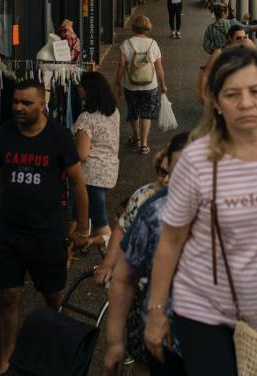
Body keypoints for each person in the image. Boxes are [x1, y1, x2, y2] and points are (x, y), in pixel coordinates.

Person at [144, 46, 257, 375]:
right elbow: (171, 240)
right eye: (232, 94)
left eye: (256, 91)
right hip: (204, 309)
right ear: (215, 101)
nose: (245, 103)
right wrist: (156, 310)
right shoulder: (197, 160)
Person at [0, 81, 89, 376]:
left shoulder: (59, 136)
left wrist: (82, 227)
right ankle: (6, 360)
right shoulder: (4, 134)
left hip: (47, 232)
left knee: (53, 298)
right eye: (15, 101)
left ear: (42, 104)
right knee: (8, 297)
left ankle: (56, 356)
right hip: (10, 231)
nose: (18, 107)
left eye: (26, 103)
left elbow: (77, 182)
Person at [102, 133, 191, 376]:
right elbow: (123, 277)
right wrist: (115, 343)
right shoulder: (154, 212)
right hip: (165, 344)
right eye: (177, 172)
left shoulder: (238, 211)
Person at [71, 71, 122, 247]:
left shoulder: (86, 118)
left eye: (81, 87)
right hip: (109, 171)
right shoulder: (114, 112)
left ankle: (111, 256)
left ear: (89, 91)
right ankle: (71, 250)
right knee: (78, 213)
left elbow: (82, 154)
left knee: (100, 219)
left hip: (90, 175)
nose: (78, 89)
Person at [116, 15, 168, 154]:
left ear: (133, 27)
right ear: (147, 28)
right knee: (146, 114)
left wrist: (117, 83)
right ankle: (144, 144)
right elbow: (159, 67)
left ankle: (136, 137)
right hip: (150, 85)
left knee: (133, 111)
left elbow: (121, 66)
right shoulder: (153, 44)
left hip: (130, 85)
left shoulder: (126, 44)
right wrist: (163, 84)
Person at [197, 24, 252, 105]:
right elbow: (206, 74)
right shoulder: (219, 52)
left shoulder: (246, 52)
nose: (242, 40)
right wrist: (203, 95)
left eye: (244, 38)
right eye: (238, 38)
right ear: (230, 38)